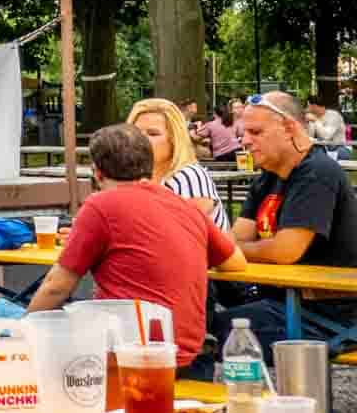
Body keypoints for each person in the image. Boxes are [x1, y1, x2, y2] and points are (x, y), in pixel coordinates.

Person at [26, 123, 245, 373]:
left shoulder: (101, 205)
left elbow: (57, 286)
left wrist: (22, 334)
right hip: (192, 355)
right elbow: (236, 262)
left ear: (97, 173)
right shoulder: (184, 206)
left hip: (133, 357)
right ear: (150, 166)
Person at [215, 91, 357, 354]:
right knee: (197, 297)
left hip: (327, 314)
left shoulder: (317, 172)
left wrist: (231, 251)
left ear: (290, 128)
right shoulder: (269, 175)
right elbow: (234, 239)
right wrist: (229, 249)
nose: (244, 141)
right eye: (244, 133)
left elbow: (285, 251)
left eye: (256, 132)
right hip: (281, 297)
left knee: (206, 332)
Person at [129, 98, 226, 228]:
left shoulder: (189, 176)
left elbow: (182, 236)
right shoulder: (136, 178)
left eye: (153, 134)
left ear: (174, 139)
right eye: (136, 133)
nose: (141, 140)